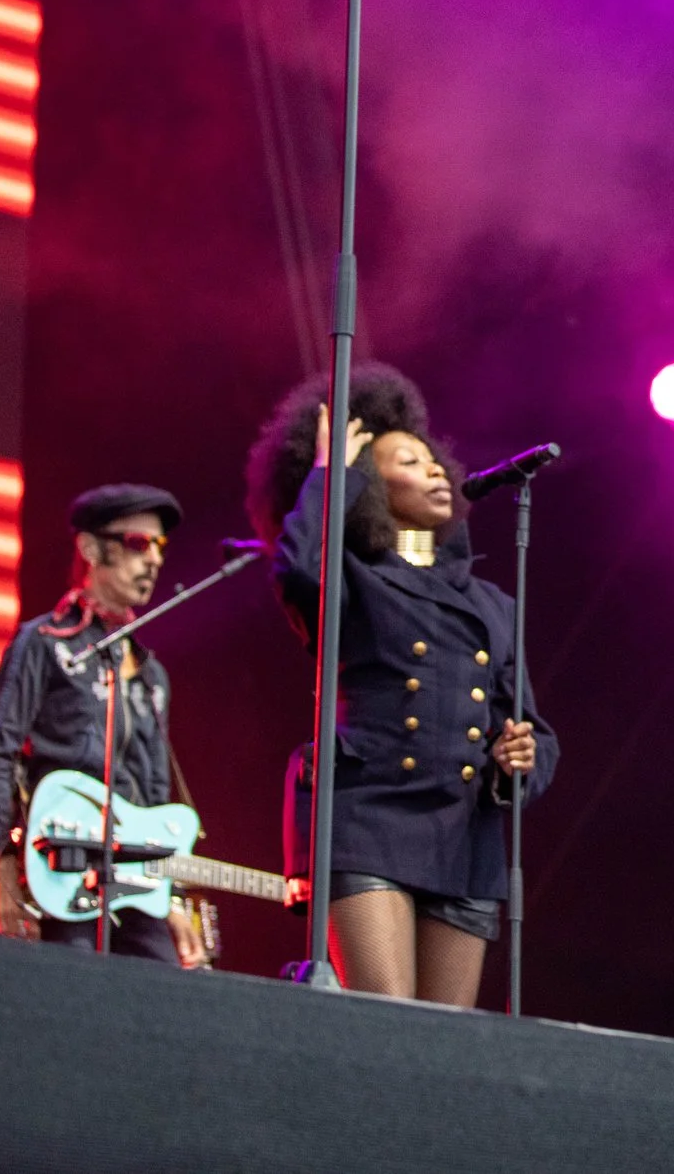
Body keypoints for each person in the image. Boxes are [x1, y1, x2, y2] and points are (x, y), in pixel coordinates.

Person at [245, 363, 558, 1007]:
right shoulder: (352, 578)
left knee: (443, 1043)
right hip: (370, 817)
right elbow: (299, 569)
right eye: (410, 463)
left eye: (434, 461)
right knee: (383, 1017)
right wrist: (329, 473)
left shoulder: (493, 604)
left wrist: (518, 760)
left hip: (463, 836)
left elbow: (536, 733)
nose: (437, 472)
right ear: (370, 486)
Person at [0, 483, 208, 967]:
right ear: (90, 549)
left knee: (163, 998)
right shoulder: (45, 643)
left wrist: (172, 897)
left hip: (137, 882)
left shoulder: (151, 674)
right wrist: (2, 863)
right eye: (139, 544)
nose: (154, 560)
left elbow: (155, 794)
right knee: (70, 994)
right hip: (62, 869)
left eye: (160, 547)